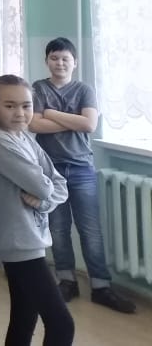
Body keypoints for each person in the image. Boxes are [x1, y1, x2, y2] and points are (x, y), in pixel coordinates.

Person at [28, 37, 135, 313]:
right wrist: (71, 120)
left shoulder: (84, 90)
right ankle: (67, 281)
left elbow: (89, 124)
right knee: (58, 229)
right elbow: (34, 124)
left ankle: (101, 286)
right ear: (46, 61)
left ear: (74, 62)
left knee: (90, 230)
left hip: (81, 168)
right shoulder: (38, 88)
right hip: (49, 170)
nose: (59, 63)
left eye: (65, 58)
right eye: (54, 58)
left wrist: (50, 113)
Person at [0, 75, 73, 345]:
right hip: (18, 241)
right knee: (62, 325)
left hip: (30, 238)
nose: (20, 113)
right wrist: (45, 193)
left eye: (26, 106)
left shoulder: (23, 136)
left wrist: (44, 202)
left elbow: (58, 183)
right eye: (10, 106)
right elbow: (43, 185)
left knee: (24, 318)